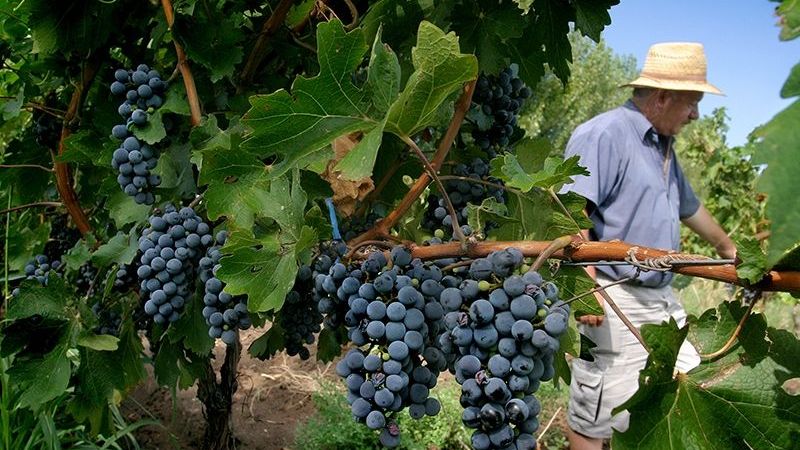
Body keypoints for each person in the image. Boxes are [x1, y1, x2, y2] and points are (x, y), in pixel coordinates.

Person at [561, 42, 737, 450]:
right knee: (599, 412)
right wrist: (587, 291)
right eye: (692, 103)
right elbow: (570, 210)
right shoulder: (604, 134)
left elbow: (690, 208)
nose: (695, 114)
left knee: (685, 382)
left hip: (661, 298)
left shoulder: (662, 149)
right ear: (662, 97)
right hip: (614, 293)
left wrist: (729, 249)